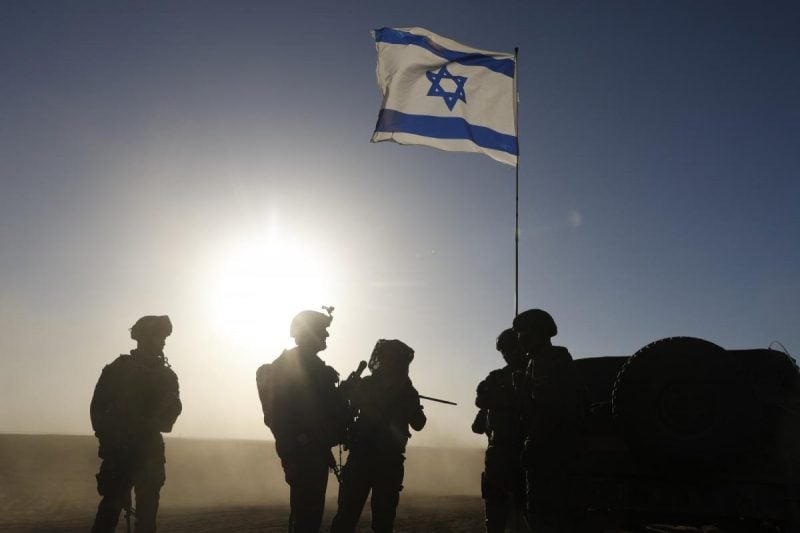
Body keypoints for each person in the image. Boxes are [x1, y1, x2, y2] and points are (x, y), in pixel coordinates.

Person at [256, 309, 349, 533]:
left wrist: (343, 395)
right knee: (306, 520)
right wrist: (293, 455)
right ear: (308, 334)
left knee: (310, 518)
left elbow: (323, 409)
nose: (326, 335)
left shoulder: (315, 368)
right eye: (322, 330)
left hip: (314, 453)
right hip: (303, 455)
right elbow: (280, 418)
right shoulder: (289, 367)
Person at [90, 315, 182, 533]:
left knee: (146, 518)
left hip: (147, 453)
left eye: (164, 337)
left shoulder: (166, 375)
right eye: (159, 337)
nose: (163, 342)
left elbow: (170, 418)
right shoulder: (119, 369)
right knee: (109, 512)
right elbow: (98, 410)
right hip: (120, 451)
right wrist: (110, 441)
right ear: (144, 338)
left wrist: (157, 415)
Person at [330, 339, 427, 533]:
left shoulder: (406, 390)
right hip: (362, 458)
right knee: (346, 517)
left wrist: (409, 403)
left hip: (387, 463)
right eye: (386, 358)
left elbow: (419, 423)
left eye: (393, 359)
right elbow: (347, 411)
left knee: (382, 522)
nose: (388, 362)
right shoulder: (368, 384)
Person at [513, 309, 581, 533]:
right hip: (550, 446)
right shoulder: (537, 361)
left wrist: (532, 442)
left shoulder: (547, 360)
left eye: (523, 333)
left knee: (544, 513)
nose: (520, 339)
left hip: (550, 448)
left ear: (537, 333)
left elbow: (549, 407)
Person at [473, 328, 529, 532]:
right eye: (504, 350)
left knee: (530, 512)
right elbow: (479, 418)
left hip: (527, 451)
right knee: (496, 512)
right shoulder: (496, 378)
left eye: (511, 348)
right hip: (499, 454)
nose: (508, 354)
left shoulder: (535, 374)